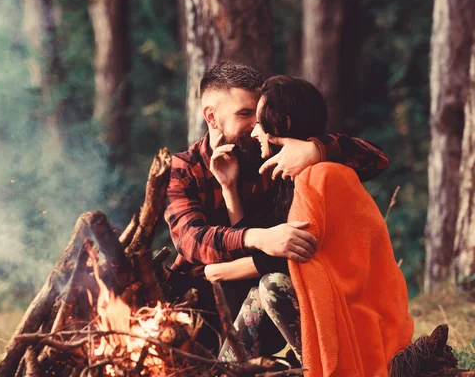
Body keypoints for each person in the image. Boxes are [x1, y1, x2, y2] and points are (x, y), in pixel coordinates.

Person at [164, 61, 391, 355]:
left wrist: (316, 149)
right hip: (197, 312)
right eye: (244, 114)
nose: (255, 125)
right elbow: (191, 241)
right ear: (212, 117)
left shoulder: (276, 154)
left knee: (272, 287)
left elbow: (376, 160)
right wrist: (258, 236)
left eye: (258, 114)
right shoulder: (185, 167)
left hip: (265, 295)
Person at [205, 75, 413, 376]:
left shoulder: (322, 175)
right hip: (327, 311)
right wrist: (229, 188)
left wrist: (218, 271)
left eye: (260, 121)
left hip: (359, 320)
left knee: (271, 286)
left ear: (285, 122)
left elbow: (293, 255)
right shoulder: (280, 177)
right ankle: (221, 373)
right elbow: (262, 242)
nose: (254, 132)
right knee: (259, 293)